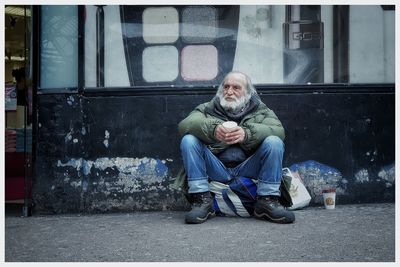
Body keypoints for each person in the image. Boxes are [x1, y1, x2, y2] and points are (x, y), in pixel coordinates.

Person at [177, 71, 295, 224]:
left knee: (274, 142)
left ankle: (267, 201)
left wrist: (247, 134)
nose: (229, 91)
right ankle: (201, 200)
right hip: (216, 168)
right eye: (226, 87)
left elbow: (279, 131)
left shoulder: (261, 110)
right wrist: (213, 130)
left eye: (236, 87)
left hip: (249, 167)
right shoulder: (207, 108)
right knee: (189, 140)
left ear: (248, 92)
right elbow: (184, 125)